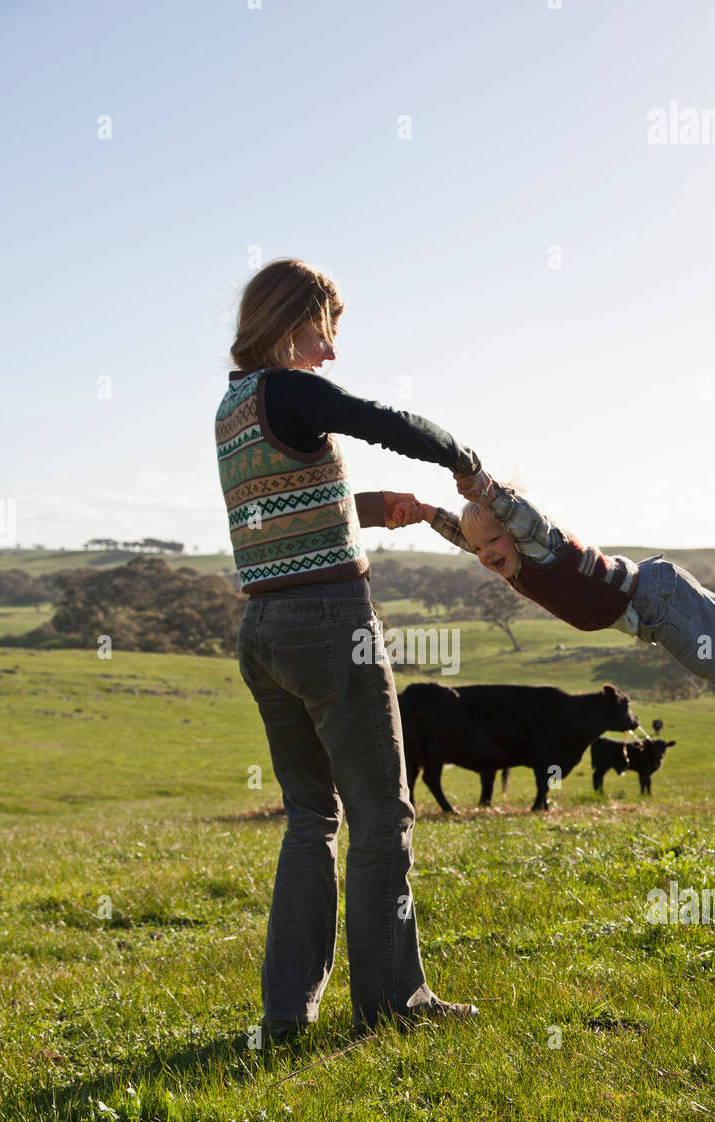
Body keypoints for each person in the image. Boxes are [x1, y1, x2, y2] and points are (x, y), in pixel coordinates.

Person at [215, 258, 480, 1035]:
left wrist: (364, 507)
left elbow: (270, 514)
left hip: (264, 629)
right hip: (331, 624)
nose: (329, 352)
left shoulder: (235, 408)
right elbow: (382, 419)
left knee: (310, 817)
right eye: (324, 331)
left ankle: (286, 1015)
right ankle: (395, 1002)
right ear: (292, 320)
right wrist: (462, 458)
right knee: (382, 811)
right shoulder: (290, 387)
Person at [390, 470, 715, 737]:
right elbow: (464, 535)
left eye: (493, 540)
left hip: (651, 600)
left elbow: (521, 516)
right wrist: (426, 514)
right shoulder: (514, 565)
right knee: (711, 619)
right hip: (654, 585)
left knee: (705, 655)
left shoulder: (540, 544)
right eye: (478, 548)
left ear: (514, 531)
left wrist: (486, 493)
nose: (484, 552)